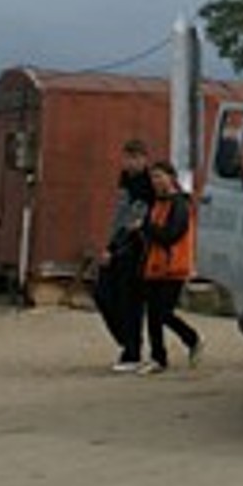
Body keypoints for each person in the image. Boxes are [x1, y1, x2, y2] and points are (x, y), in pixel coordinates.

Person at [137, 160, 203, 374]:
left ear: (171, 177)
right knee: (153, 315)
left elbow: (171, 235)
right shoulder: (157, 203)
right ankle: (158, 358)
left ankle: (192, 338)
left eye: (159, 176)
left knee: (163, 313)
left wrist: (146, 227)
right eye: (153, 177)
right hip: (154, 266)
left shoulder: (180, 204)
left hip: (174, 267)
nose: (155, 181)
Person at [93, 139, 152, 372]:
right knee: (103, 294)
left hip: (136, 249)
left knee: (130, 302)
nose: (130, 162)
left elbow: (135, 220)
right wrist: (110, 245)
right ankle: (125, 340)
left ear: (144, 159)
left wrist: (115, 247)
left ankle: (132, 351)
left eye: (135, 158)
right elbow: (120, 216)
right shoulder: (125, 180)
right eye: (127, 158)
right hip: (118, 245)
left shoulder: (148, 184)